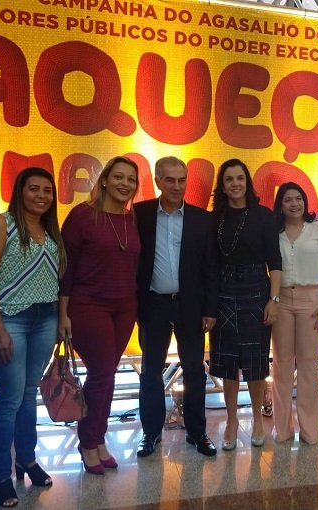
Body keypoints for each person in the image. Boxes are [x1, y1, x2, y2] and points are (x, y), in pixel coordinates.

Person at [0, 167, 66, 507]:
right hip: (9, 319)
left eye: (47, 190)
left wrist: (60, 318)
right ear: (20, 191)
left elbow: (57, 280)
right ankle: (1, 475)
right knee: (9, 399)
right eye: (33, 188)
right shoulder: (2, 224)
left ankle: (27, 460)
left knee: (29, 394)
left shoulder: (51, 229)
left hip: (45, 319)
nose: (41, 195)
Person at [58, 156, 141, 474]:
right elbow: (65, 269)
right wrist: (62, 313)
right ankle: (88, 442)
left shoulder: (132, 219)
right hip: (88, 306)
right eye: (118, 177)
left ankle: (98, 438)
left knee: (107, 375)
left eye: (131, 179)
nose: (125, 184)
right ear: (104, 180)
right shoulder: (82, 216)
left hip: (125, 307)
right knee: (102, 374)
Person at [134, 156, 219, 458]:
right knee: (151, 371)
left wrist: (210, 308)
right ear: (158, 181)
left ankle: (197, 432)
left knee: (195, 370)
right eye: (169, 180)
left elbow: (211, 267)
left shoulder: (202, 219)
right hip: (154, 304)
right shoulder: (140, 214)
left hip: (191, 305)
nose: (176, 186)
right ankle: (151, 432)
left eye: (182, 180)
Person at [209, 158, 282, 450]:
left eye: (240, 178)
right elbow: (210, 265)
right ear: (222, 185)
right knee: (227, 361)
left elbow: (274, 261)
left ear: (247, 182)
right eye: (229, 179)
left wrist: (273, 300)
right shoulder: (214, 218)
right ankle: (231, 420)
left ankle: (257, 419)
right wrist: (209, 305)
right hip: (223, 291)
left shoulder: (263, 216)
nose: (235, 184)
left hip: (256, 290)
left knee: (255, 361)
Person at [271, 182, 318, 444]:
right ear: (280, 205)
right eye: (288, 199)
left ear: (305, 202)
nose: (294, 204)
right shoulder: (273, 232)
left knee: (309, 364)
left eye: (298, 198)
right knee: (282, 364)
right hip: (281, 299)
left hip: (312, 299)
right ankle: (282, 429)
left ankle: (310, 430)